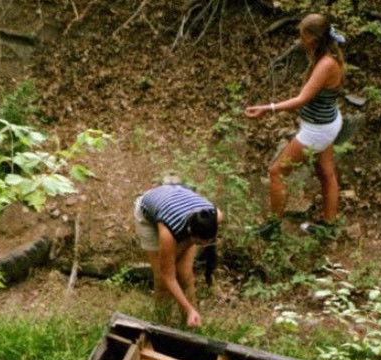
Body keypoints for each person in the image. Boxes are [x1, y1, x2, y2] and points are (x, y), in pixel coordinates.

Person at [244, 13, 346, 225]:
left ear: (315, 40)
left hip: (318, 130)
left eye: (303, 36)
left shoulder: (326, 64)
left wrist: (268, 108)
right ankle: (329, 224)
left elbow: (302, 99)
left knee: (276, 173)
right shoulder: (324, 56)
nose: (300, 40)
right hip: (327, 123)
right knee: (326, 174)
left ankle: (272, 227)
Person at [132, 183, 222, 329]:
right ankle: (162, 326)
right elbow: (168, 276)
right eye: (199, 242)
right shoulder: (169, 233)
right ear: (189, 230)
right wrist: (189, 309)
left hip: (177, 200)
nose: (203, 246)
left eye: (206, 243)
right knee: (162, 280)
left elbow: (192, 243)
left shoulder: (215, 215)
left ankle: (189, 327)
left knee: (185, 276)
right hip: (149, 213)